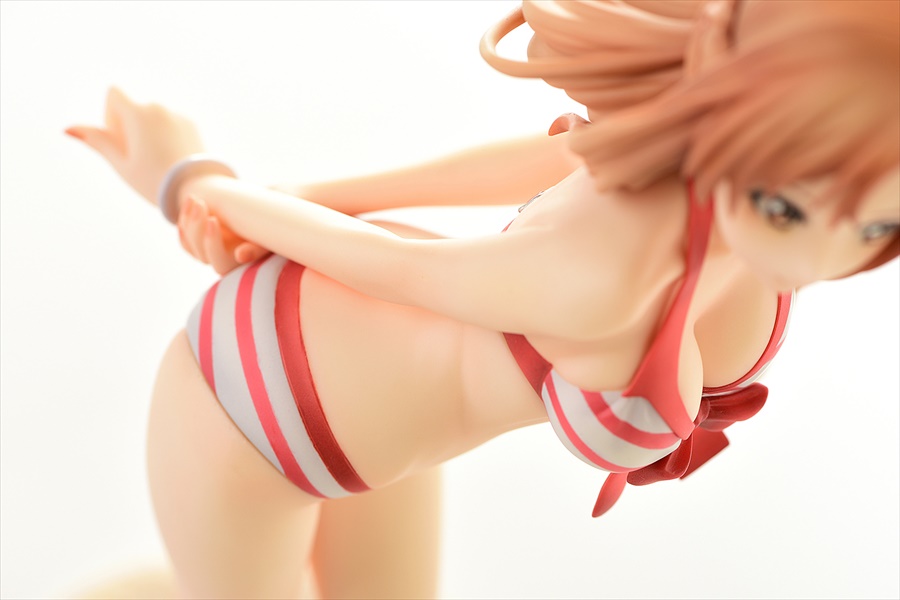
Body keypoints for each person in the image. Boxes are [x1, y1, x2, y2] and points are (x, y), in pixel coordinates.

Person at [65, 1, 899, 598]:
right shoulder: (602, 281)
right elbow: (397, 266)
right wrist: (196, 185)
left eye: (876, 226)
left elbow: (553, 162)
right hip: (248, 407)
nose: (822, 259)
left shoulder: (687, 170)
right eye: (785, 211)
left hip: (381, 436)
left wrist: (306, 197)